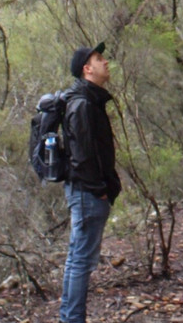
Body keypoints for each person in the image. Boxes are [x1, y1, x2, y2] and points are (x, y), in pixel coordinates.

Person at [59, 41, 121, 323]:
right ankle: (72, 319)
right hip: (87, 194)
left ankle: (70, 318)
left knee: (78, 259)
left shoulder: (88, 101)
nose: (105, 62)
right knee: (81, 261)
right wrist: (100, 191)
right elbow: (82, 156)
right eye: (99, 59)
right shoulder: (82, 104)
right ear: (87, 69)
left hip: (87, 192)